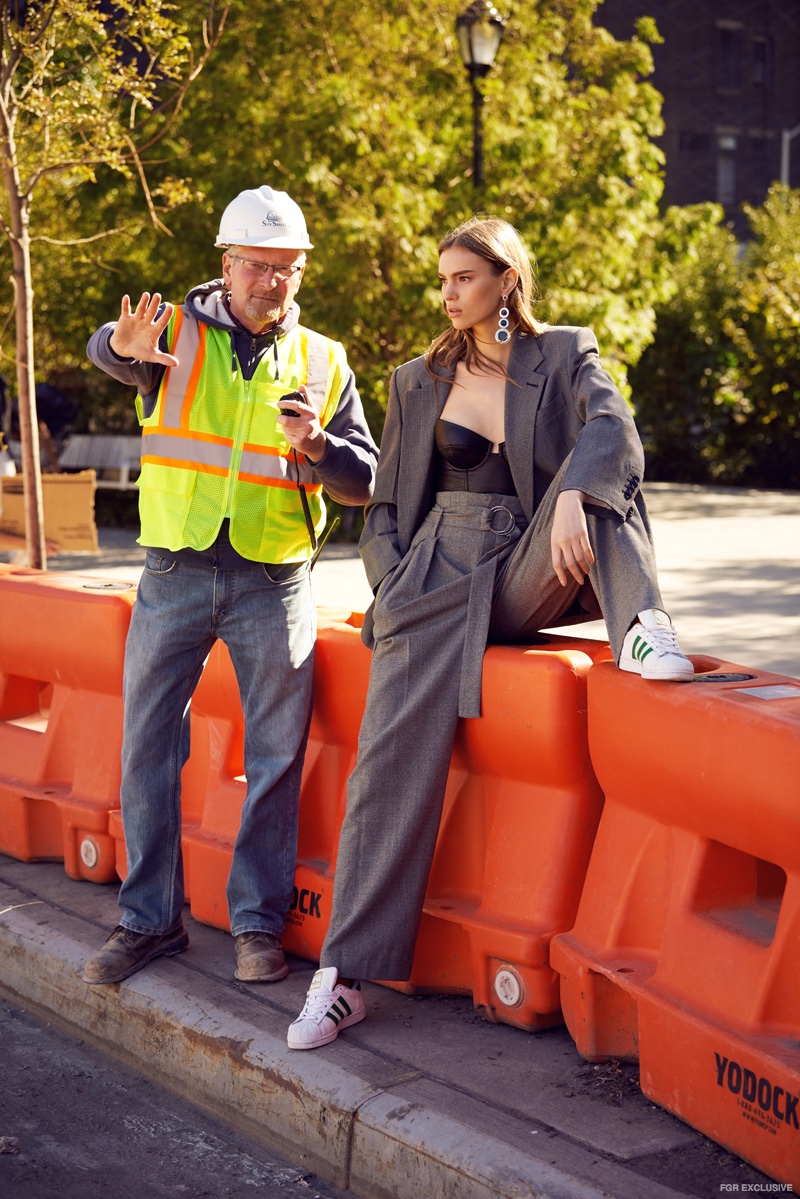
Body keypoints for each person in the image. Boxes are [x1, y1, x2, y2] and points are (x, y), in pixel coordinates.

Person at [287, 216, 693, 1050]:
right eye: (442, 279)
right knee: (386, 762)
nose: (448, 294)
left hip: (526, 568)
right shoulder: (415, 379)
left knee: (604, 463)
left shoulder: (567, 352)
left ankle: (643, 624)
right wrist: (392, 589)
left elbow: (614, 429)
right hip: (436, 575)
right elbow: (390, 506)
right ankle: (344, 977)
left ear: (507, 279)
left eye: (463, 277)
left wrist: (577, 490)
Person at [82, 186, 378, 987]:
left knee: (276, 757)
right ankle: (149, 922)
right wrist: (119, 345)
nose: (270, 281)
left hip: (273, 577)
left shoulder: (324, 360)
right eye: (256, 264)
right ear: (227, 264)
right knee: (148, 744)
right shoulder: (173, 332)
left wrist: (318, 443)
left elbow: (364, 479)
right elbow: (108, 351)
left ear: (299, 272)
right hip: (174, 570)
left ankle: (257, 924)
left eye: (285, 268)